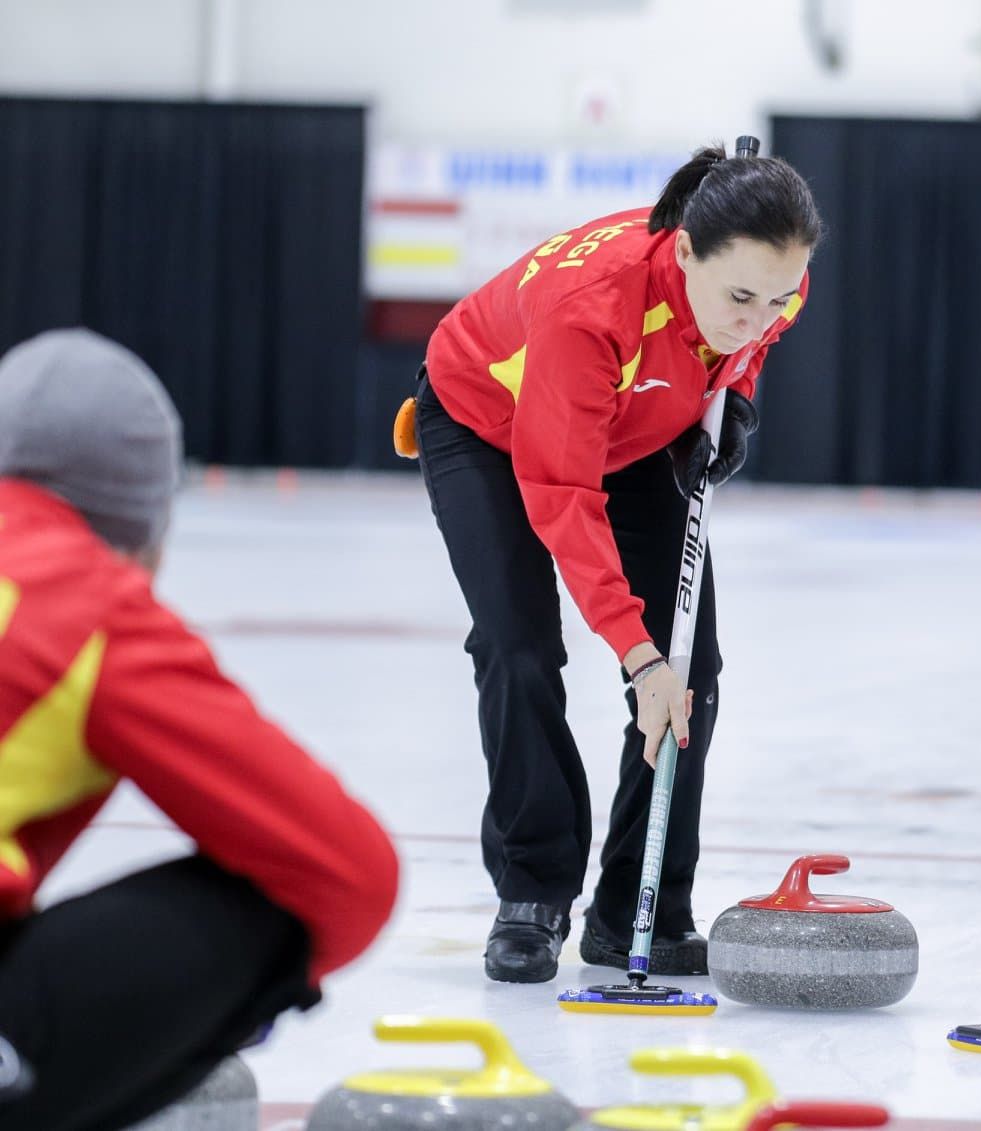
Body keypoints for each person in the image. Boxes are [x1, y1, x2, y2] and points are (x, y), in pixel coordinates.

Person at [406, 141, 820, 984]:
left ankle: (639, 906)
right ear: (684, 251)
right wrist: (637, 657)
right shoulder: (590, 311)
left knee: (691, 669)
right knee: (518, 645)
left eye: (776, 300)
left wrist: (735, 398)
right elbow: (562, 496)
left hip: (631, 427)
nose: (759, 317)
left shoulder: (777, 283)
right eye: (740, 298)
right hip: (488, 424)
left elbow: (751, 344)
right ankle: (532, 888)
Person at [0, 329, 398, 1127]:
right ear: (144, 527)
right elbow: (353, 874)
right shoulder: (94, 609)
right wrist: (221, 1019)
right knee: (273, 914)